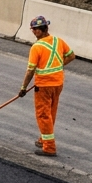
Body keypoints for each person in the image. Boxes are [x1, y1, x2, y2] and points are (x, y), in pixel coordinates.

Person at [20, 16, 72, 157]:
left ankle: (49, 147)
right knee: (51, 113)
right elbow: (71, 55)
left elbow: (31, 70)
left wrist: (23, 88)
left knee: (43, 115)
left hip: (44, 86)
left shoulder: (37, 47)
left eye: (34, 30)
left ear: (39, 30)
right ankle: (44, 138)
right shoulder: (57, 41)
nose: (33, 32)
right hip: (58, 83)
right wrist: (59, 65)